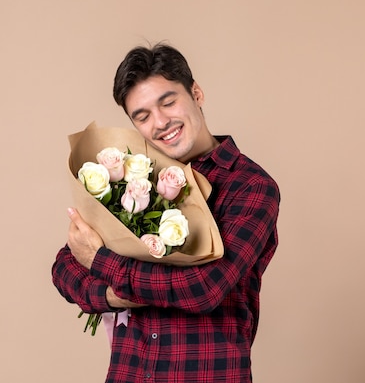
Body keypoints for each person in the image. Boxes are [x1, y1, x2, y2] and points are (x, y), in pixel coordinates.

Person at [52, 43, 280, 383]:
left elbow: (205, 288)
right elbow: (65, 267)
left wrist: (103, 263)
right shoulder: (135, 178)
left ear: (197, 93)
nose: (160, 122)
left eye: (168, 101)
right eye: (142, 116)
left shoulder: (250, 186)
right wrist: (112, 295)